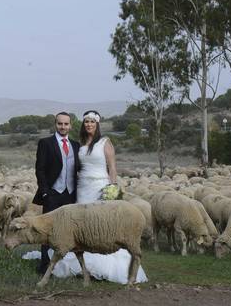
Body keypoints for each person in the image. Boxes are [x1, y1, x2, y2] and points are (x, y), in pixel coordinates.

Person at [50, 110, 148, 284]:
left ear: (97, 124)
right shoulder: (79, 144)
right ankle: (82, 267)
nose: (89, 124)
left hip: (100, 186)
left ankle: (107, 266)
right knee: (83, 226)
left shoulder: (105, 142)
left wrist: (112, 189)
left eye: (92, 122)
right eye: (86, 121)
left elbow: (112, 168)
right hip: (83, 188)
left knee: (103, 226)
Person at [32, 111, 80, 274]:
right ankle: (45, 265)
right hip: (52, 193)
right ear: (55, 124)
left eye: (66, 124)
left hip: (70, 194)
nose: (63, 126)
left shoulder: (75, 145)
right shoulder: (45, 143)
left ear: (70, 125)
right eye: (60, 123)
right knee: (47, 229)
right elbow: (40, 169)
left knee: (68, 229)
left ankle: (65, 264)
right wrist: (45, 192)